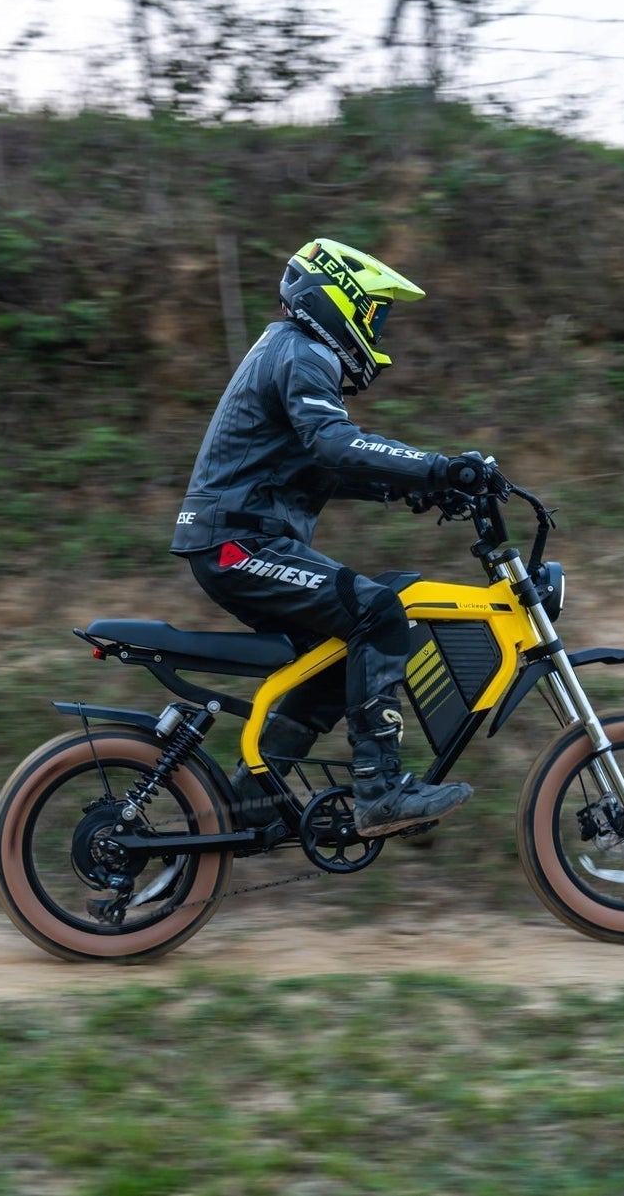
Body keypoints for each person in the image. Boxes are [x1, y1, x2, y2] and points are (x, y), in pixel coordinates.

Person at [170, 238, 499, 837]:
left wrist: (413, 488)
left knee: (337, 653)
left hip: (238, 541)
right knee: (378, 611)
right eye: (375, 313)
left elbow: (318, 466)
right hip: (239, 544)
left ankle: (249, 804)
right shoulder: (303, 352)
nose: (377, 329)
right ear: (337, 299)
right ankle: (379, 790)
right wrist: (439, 468)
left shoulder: (286, 348)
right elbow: (334, 443)